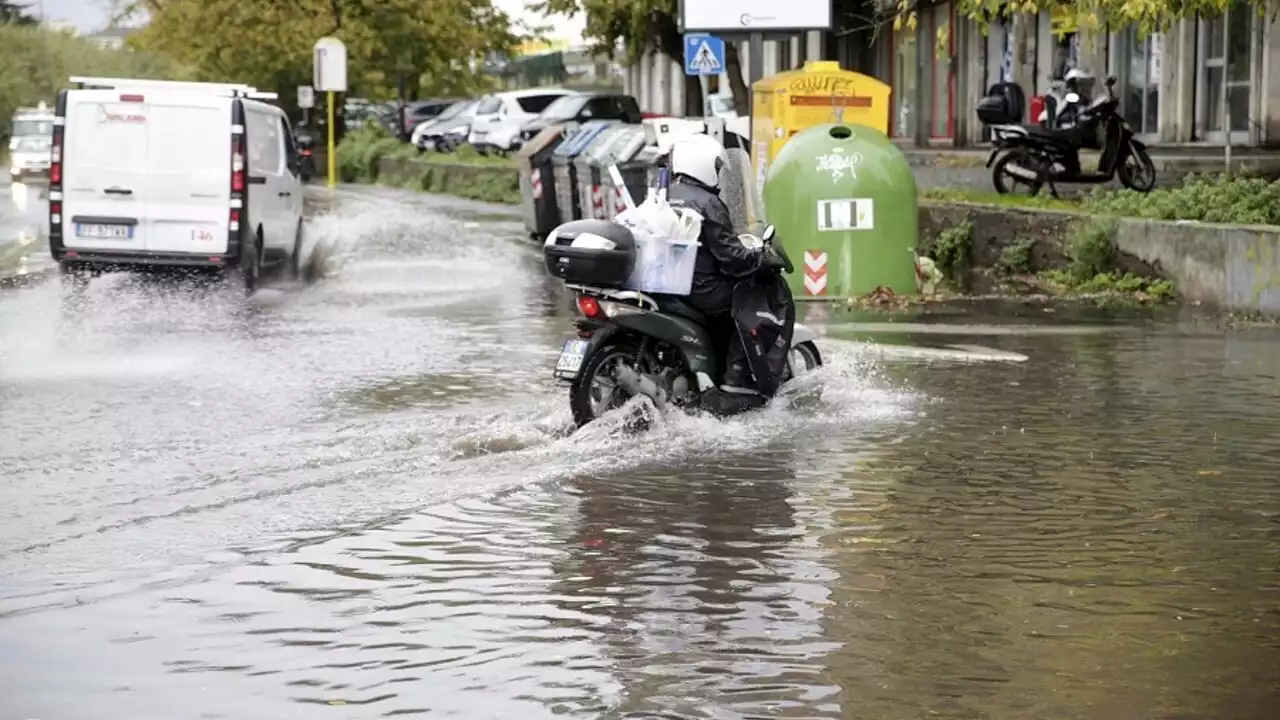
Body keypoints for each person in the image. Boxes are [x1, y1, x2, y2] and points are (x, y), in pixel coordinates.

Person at [664, 134, 764, 395]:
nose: (719, 174)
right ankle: (734, 380)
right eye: (718, 168)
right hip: (700, 287)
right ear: (704, 165)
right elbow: (729, 254)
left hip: (665, 283)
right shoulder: (708, 202)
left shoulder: (664, 194)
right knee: (746, 303)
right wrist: (757, 256)